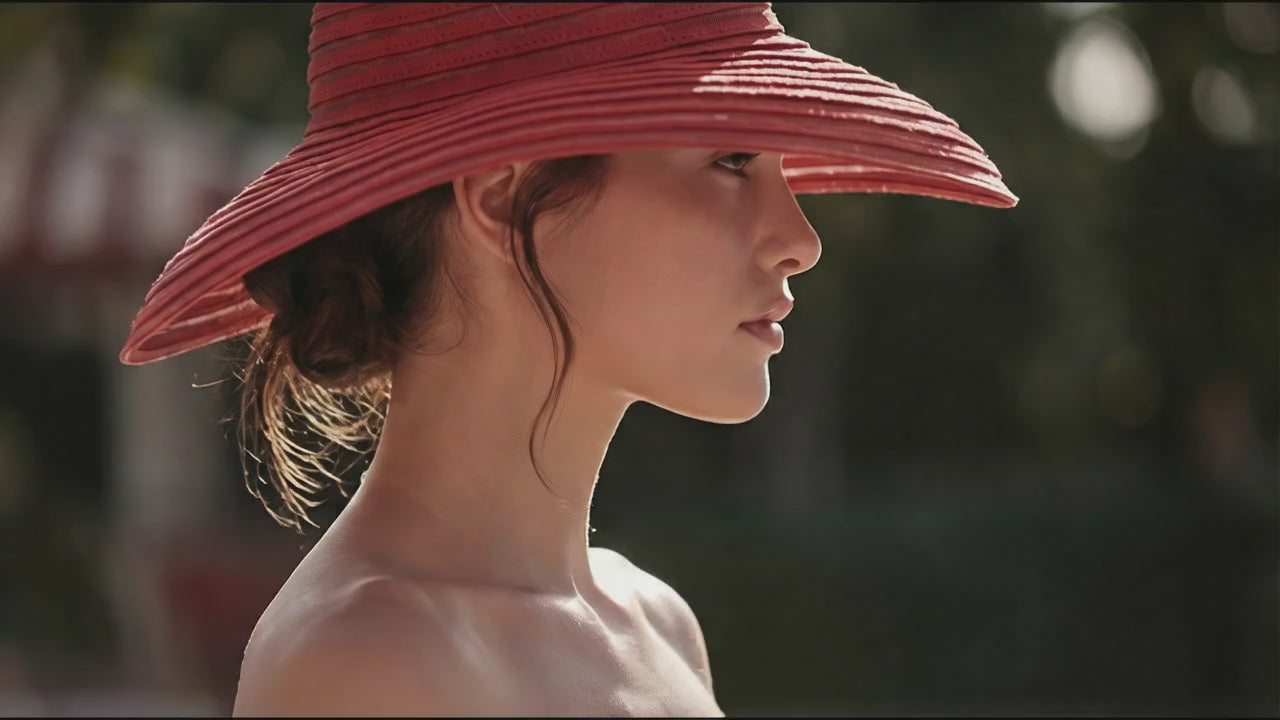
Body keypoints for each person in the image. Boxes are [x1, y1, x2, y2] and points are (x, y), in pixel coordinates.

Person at [119, 3, 1016, 716]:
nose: (800, 239)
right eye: (732, 159)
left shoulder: (660, 628)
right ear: (505, 199)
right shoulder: (363, 667)